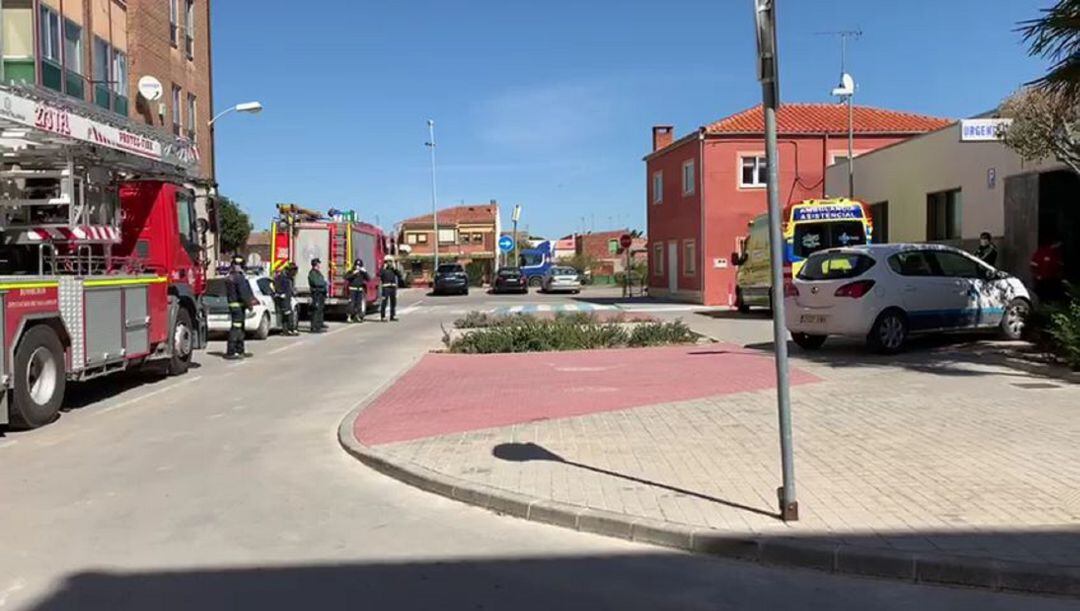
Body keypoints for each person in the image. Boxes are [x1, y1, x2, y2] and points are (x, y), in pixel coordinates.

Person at [224, 255, 257, 360]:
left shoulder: (230, 277)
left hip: (234, 306)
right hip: (238, 306)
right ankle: (232, 351)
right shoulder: (239, 277)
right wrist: (249, 304)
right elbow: (243, 293)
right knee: (237, 329)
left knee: (239, 328)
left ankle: (240, 350)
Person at [1031, 236, 1065, 303]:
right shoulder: (1043, 251)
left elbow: (1059, 265)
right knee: (1041, 296)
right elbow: (1033, 264)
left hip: (1052, 279)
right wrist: (1037, 275)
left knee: (1052, 297)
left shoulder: (1057, 253)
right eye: (1059, 244)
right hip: (1042, 280)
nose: (1060, 246)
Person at [273, 262, 299, 336]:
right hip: (283, 298)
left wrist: (293, 292)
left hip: (288, 298)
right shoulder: (281, 277)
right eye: (293, 270)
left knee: (287, 314)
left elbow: (290, 288)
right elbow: (276, 286)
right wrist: (281, 293)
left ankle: (288, 330)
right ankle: (288, 330)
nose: (294, 273)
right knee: (287, 314)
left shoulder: (289, 278)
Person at [345, 258, 370, 323]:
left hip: (359, 290)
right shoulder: (351, 271)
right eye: (356, 265)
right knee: (351, 304)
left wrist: (365, 272)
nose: (358, 267)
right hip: (352, 290)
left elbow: (368, 279)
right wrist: (353, 273)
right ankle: (349, 317)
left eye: (359, 266)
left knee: (359, 304)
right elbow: (346, 277)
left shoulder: (362, 273)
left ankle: (358, 316)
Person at [308, 257, 328, 333]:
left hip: (321, 294)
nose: (319, 265)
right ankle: (314, 327)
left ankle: (319, 325)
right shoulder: (312, 273)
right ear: (315, 264)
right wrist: (324, 283)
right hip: (316, 294)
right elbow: (317, 283)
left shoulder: (317, 272)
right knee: (316, 311)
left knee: (320, 310)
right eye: (318, 263)